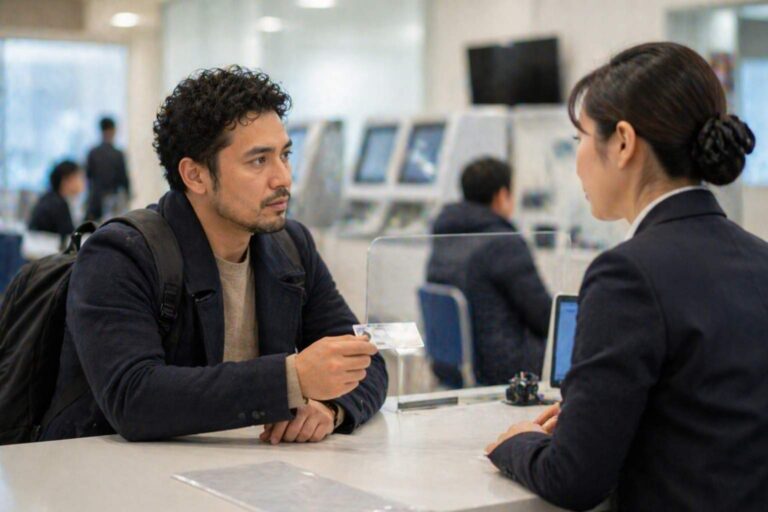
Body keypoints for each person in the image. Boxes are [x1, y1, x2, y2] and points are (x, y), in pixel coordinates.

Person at [485, 42, 765, 511]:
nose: (577, 160)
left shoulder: (627, 275)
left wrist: (515, 444)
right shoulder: (760, 258)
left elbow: (574, 478)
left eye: (579, 140)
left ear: (622, 142)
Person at [41, 66, 387, 443]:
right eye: (259, 161)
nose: (283, 178)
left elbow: (367, 362)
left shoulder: (291, 246)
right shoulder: (121, 254)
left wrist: (330, 409)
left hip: (248, 478)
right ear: (196, 176)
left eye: (284, 155)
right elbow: (133, 397)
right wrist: (293, 379)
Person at [426, 157, 551, 387]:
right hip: (501, 371)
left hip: (452, 367)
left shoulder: (444, 236)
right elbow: (544, 317)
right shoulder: (504, 243)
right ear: (502, 195)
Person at [85, 116, 131, 221]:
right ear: (113, 130)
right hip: (112, 199)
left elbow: (88, 177)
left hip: (94, 199)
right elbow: (123, 178)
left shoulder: (92, 153)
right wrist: (128, 195)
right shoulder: (118, 154)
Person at [28, 160, 85, 239]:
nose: (83, 183)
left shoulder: (48, 198)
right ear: (66, 181)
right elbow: (70, 237)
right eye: (79, 178)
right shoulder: (58, 204)